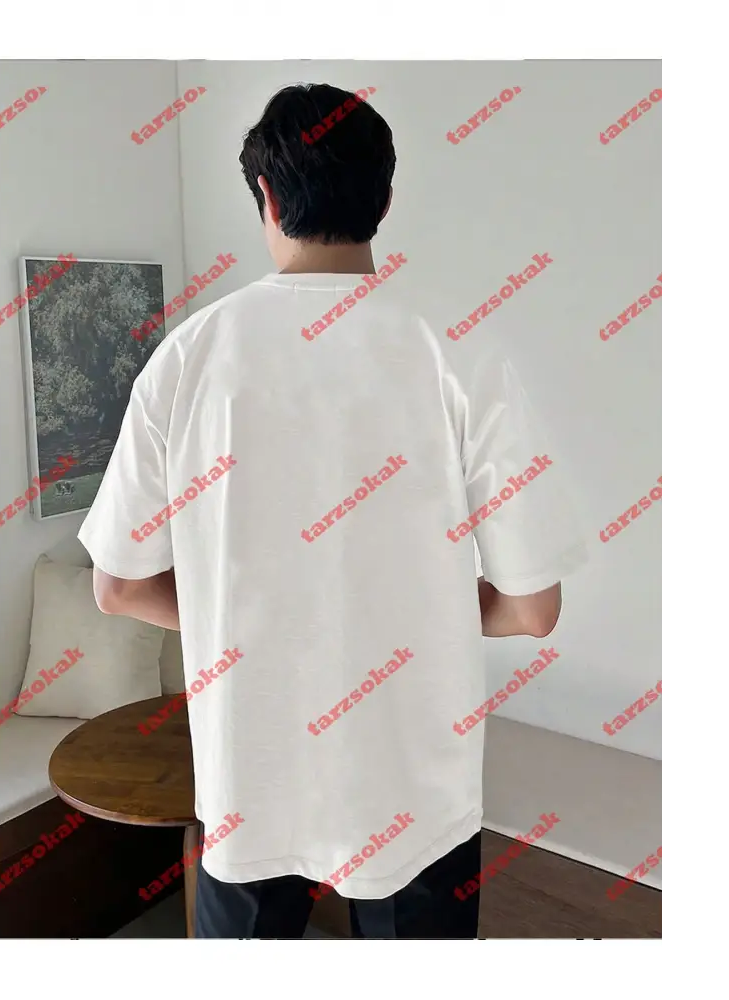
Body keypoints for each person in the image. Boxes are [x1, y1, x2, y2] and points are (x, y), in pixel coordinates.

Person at [78, 82, 588, 939]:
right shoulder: (462, 352)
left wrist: (260, 625)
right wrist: (411, 619)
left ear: (267, 198)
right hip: (418, 797)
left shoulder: (187, 357)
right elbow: (532, 609)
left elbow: (118, 588)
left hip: (248, 789)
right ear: (383, 201)